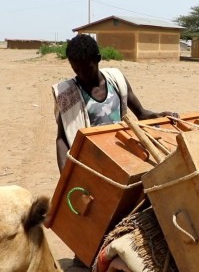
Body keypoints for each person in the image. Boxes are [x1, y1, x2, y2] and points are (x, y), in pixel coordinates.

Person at [52, 34, 176, 172]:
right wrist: (64, 175)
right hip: (91, 163)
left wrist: (160, 116)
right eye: (77, 70)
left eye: (87, 70)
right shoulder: (67, 94)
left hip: (122, 155)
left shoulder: (116, 80)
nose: (82, 75)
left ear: (98, 58)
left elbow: (141, 114)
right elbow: (62, 139)